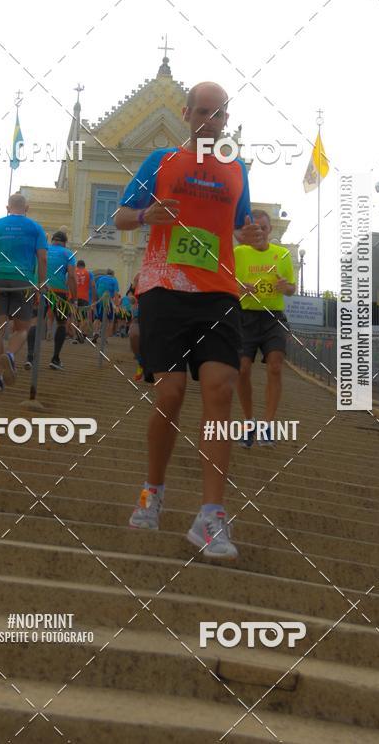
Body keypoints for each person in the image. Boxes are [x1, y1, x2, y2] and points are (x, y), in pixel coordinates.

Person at [115, 81, 263, 561]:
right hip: (163, 289)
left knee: (220, 388)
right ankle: (152, 492)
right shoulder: (159, 161)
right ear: (185, 113)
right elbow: (119, 216)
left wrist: (254, 235)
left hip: (218, 293)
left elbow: (240, 227)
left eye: (217, 114)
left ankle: (211, 516)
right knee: (171, 393)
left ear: (226, 118)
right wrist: (145, 218)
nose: (208, 121)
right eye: (201, 112)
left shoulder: (237, 168)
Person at [234, 209, 296, 446]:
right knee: (242, 369)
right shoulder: (239, 253)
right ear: (249, 231)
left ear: (270, 230)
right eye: (255, 228)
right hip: (245, 316)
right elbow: (227, 280)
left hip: (273, 317)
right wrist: (240, 287)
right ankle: (249, 424)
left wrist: (284, 287)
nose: (259, 231)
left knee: (275, 366)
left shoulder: (282, 254)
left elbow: (292, 288)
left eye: (264, 228)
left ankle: (268, 426)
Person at [0, 194, 47, 392]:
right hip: (22, 281)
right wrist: (41, 285)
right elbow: (42, 259)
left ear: (7, 207)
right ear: (27, 208)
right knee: (22, 328)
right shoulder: (35, 228)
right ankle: (11, 354)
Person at [29, 229, 77, 370]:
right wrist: (74, 298)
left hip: (40, 288)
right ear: (64, 243)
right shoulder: (68, 253)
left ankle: (30, 357)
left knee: (34, 322)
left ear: (52, 241)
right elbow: (72, 276)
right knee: (61, 323)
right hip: (59, 292)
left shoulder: (43, 250)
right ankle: (55, 359)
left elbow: (34, 267)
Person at [92, 269, 119, 344]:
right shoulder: (114, 280)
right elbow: (116, 293)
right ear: (113, 274)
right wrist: (116, 305)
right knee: (108, 320)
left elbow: (95, 290)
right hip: (108, 301)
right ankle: (104, 338)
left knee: (97, 318)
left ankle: (95, 332)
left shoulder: (100, 279)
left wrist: (94, 301)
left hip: (99, 300)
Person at [75, 259, 95, 343]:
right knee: (84, 318)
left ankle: (76, 335)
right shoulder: (89, 273)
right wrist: (94, 299)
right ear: (84, 266)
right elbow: (93, 285)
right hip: (84, 298)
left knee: (75, 317)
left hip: (74, 297)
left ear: (77, 265)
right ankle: (80, 331)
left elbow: (67, 282)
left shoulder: (73, 272)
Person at [128, 272, 143, 381]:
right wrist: (131, 298)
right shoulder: (139, 275)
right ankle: (141, 362)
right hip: (138, 313)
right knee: (133, 335)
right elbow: (130, 292)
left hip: (157, 313)